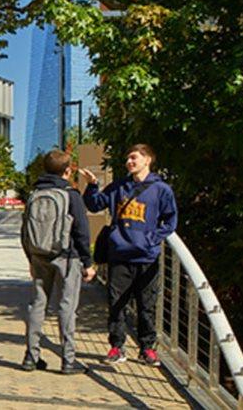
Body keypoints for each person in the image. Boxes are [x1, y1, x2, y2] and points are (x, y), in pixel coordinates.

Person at [81, 143, 178, 367]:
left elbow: (170, 221)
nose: (129, 162)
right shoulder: (118, 187)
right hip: (120, 255)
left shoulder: (161, 189)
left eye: (134, 158)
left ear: (148, 160)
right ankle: (116, 346)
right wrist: (93, 186)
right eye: (128, 159)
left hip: (147, 257)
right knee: (116, 304)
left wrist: (151, 240)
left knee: (147, 305)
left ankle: (147, 349)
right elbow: (95, 205)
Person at [21, 150, 94, 375]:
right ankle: (68, 360)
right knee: (66, 306)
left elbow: (24, 230)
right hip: (66, 257)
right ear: (67, 170)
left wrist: (30, 258)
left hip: (39, 256)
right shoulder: (71, 195)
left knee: (37, 305)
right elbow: (82, 231)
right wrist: (87, 262)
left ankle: (31, 357)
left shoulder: (34, 194)